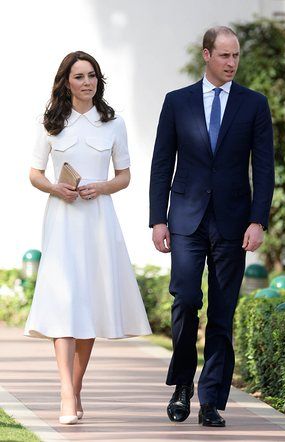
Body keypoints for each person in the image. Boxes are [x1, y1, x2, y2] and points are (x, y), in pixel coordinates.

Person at [149, 26, 274, 427]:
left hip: (234, 223)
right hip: (185, 218)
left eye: (236, 55)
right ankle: (182, 385)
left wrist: (258, 219)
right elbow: (161, 164)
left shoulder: (254, 104)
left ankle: (212, 400)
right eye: (224, 56)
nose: (232, 63)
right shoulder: (177, 102)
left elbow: (265, 168)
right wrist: (157, 219)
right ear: (206, 55)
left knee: (223, 311)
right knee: (185, 300)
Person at [24, 51, 151, 425]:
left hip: (98, 223)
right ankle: (65, 393)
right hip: (62, 222)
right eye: (79, 76)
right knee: (65, 305)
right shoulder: (50, 123)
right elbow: (33, 172)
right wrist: (53, 187)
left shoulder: (113, 124)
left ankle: (75, 387)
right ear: (66, 82)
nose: (87, 82)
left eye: (92, 76)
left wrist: (102, 186)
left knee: (88, 308)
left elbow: (124, 176)